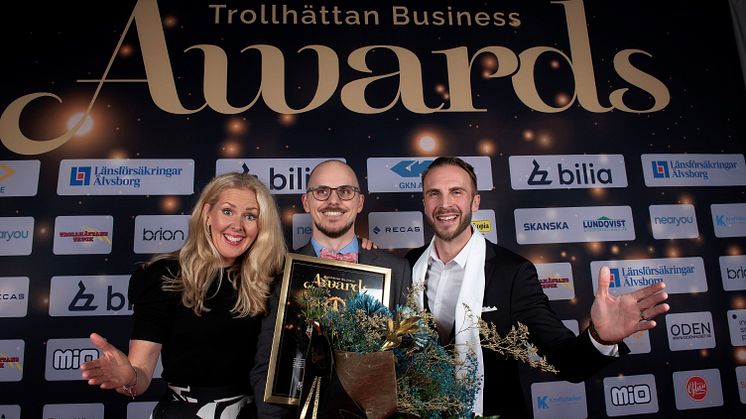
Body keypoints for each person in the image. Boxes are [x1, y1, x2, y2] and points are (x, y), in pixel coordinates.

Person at [405, 157, 670, 418]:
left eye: (456, 192)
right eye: (434, 194)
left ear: (475, 201)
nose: (445, 204)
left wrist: (600, 337)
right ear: (424, 202)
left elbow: (566, 363)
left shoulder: (514, 272)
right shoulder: (406, 265)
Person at [80, 172, 287, 418]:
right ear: (207, 214)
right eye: (228, 211)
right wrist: (128, 377)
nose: (237, 226)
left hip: (256, 414)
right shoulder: (163, 277)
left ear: (261, 225)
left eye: (250, 216)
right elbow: (140, 376)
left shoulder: (273, 280)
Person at [250, 159, 413, 418]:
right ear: (306, 202)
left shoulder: (398, 270)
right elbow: (266, 367)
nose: (333, 201)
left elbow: (408, 362)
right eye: (321, 191)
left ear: (359, 202)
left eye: (345, 192)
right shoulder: (280, 272)